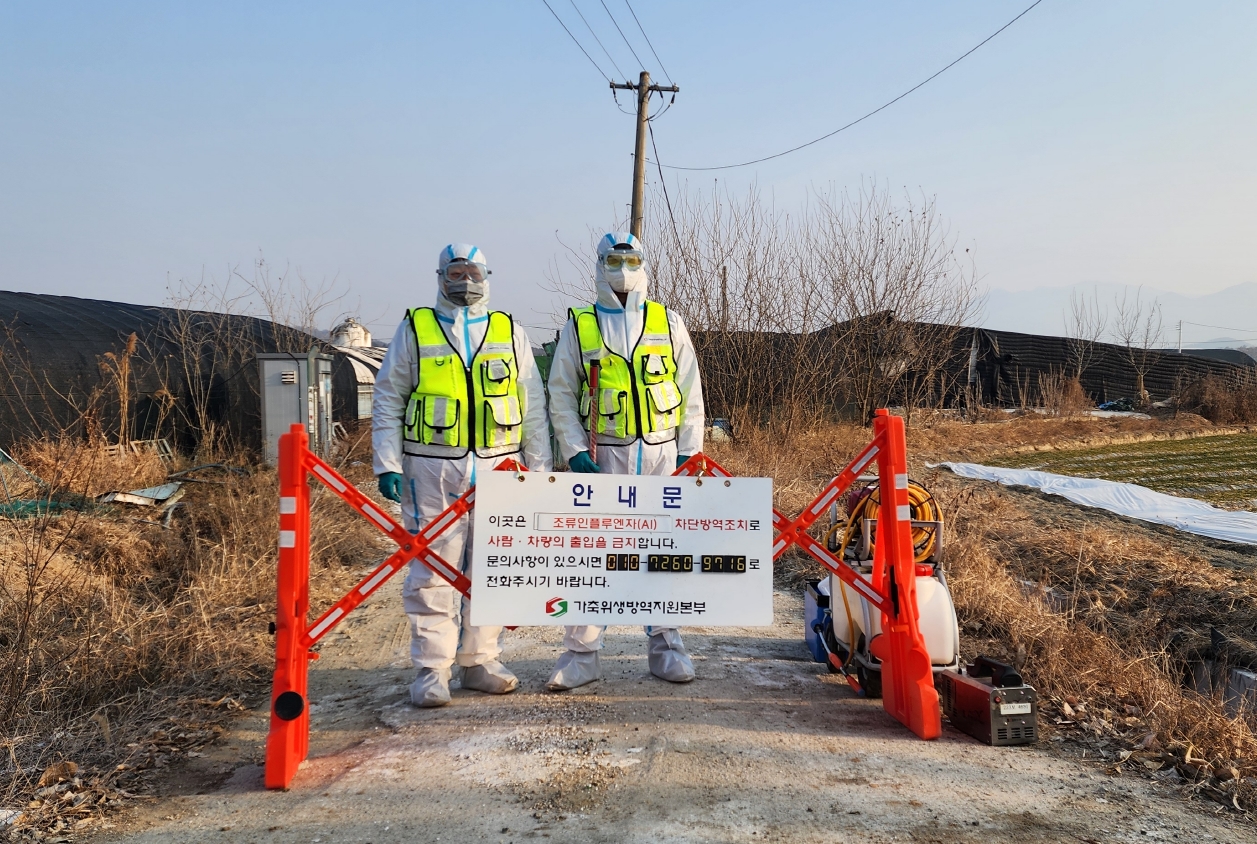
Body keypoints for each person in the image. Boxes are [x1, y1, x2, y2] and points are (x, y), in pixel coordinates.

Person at [373, 243, 553, 707]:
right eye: (455, 273)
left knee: (495, 567)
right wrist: (387, 463)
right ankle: (432, 671)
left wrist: (540, 468)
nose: (465, 281)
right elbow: (389, 397)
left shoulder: (508, 329)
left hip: (501, 465)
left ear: (487, 275)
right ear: (440, 277)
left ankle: (479, 662)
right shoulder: (416, 328)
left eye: (472, 272)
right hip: (431, 467)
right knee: (433, 569)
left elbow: (532, 404)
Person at [544, 232, 706, 690]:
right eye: (613, 260)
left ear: (643, 263)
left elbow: (690, 389)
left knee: (662, 552)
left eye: (630, 259)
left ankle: (667, 646)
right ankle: (581, 654)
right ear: (599, 265)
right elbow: (560, 393)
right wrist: (574, 452)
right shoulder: (582, 324)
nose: (622, 269)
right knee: (596, 556)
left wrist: (690, 449)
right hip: (604, 455)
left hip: (660, 455)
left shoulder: (667, 321)